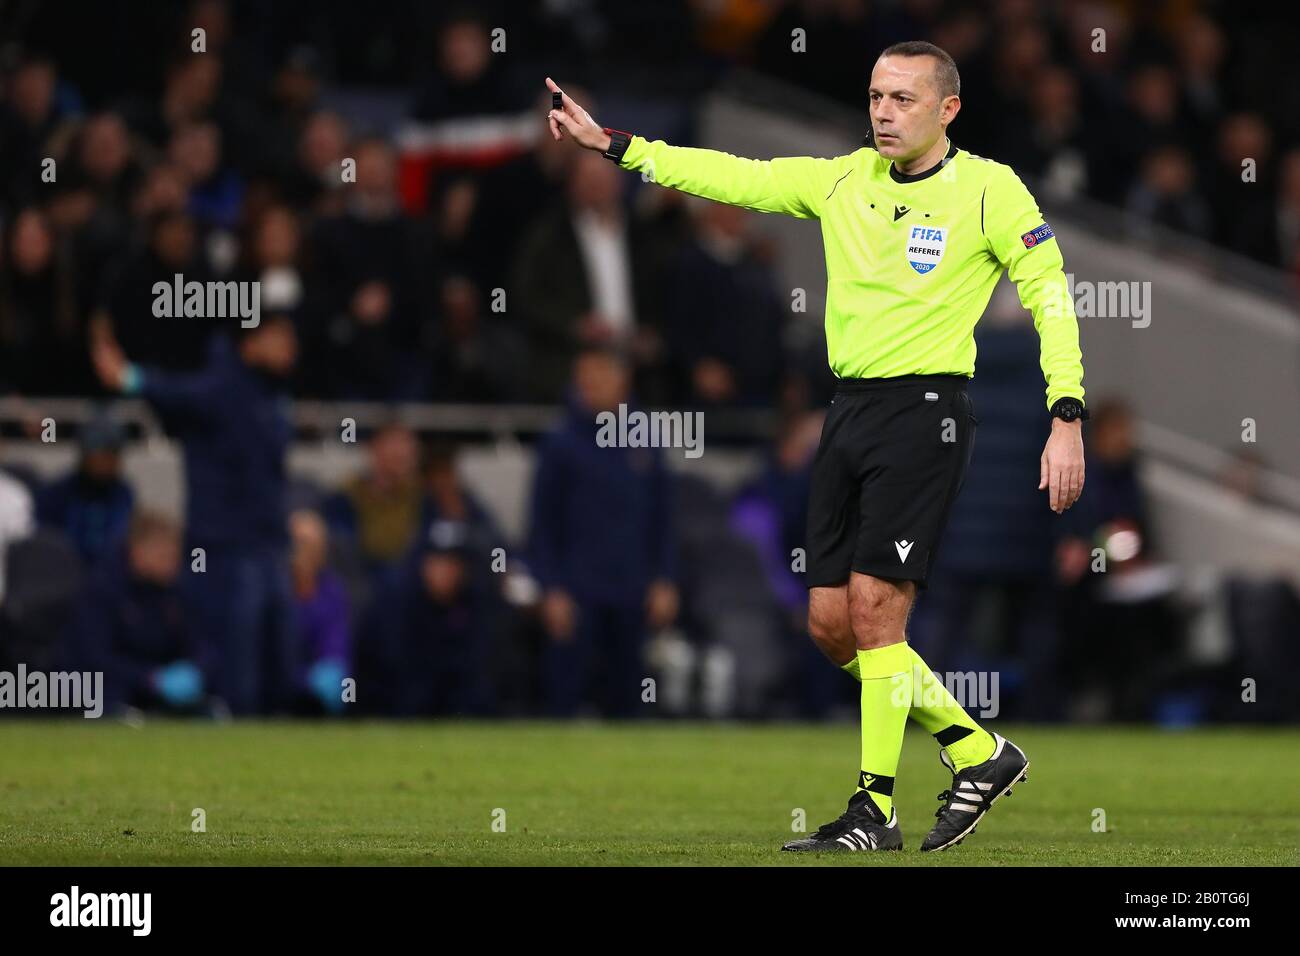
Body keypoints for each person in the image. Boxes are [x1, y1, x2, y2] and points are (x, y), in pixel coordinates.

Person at [543, 40, 1087, 851]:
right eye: (875, 96)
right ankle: (978, 750)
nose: (882, 112)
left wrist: (1066, 412)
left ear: (949, 110)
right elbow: (736, 176)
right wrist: (621, 147)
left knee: (875, 612)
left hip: (926, 414)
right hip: (850, 414)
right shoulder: (842, 180)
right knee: (833, 625)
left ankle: (874, 810)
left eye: (903, 99)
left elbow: (1049, 293)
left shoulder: (990, 190)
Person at [91, 317, 299, 716]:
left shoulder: (272, 399)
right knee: (238, 656)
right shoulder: (222, 389)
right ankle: (234, 734)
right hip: (226, 548)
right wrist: (130, 377)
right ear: (250, 344)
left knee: (279, 651)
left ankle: (277, 738)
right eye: (279, 337)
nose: (290, 347)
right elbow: (171, 394)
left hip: (268, 543)